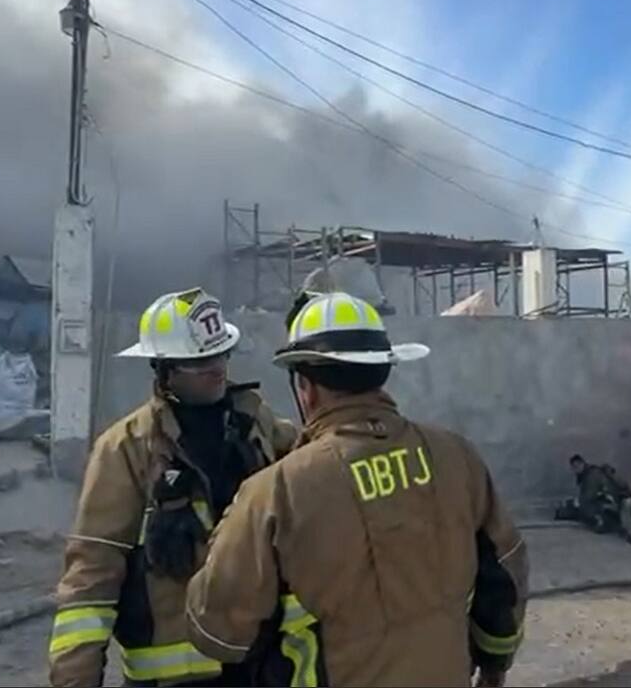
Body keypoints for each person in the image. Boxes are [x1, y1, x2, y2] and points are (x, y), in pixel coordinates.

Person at [185, 291, 528, 688]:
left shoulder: (275, 492)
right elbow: (505, 574)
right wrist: (495, 664)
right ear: (382, 371)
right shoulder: (457, 457)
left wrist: (220, 539)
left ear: (306, 388)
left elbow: (216, 629)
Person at [49, 288, 296, 687]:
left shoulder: (257, 423)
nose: (217, 368)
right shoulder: (125, 449)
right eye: (199, 361)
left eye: (221, 354)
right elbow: (91, 575)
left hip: (262, 663)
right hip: (175, 677)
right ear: (163, 370)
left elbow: (316, 471)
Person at [554, 454, 628, 533]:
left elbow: (589, 496)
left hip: (609, 506)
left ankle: (602, 522)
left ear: (582, 464)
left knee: (584, 508)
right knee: (580, 506)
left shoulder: (592, 475)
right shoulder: (589, 474)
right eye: (573, 468)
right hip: (608, 504)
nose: (575, 470)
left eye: (577, 466)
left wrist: (573, 503)